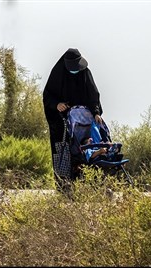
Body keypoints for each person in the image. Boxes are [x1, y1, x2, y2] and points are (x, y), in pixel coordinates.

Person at [43, 48, 104, 192]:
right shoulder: (57, 74)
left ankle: (92, 185)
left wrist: (96, 112)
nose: (75, 71)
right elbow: (47, 96)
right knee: (63, 152)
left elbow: (93, 95)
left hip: (84, 122)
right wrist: (57, 104)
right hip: (62, 123)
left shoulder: (85, 73)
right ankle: (65, 187)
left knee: (89, 146)